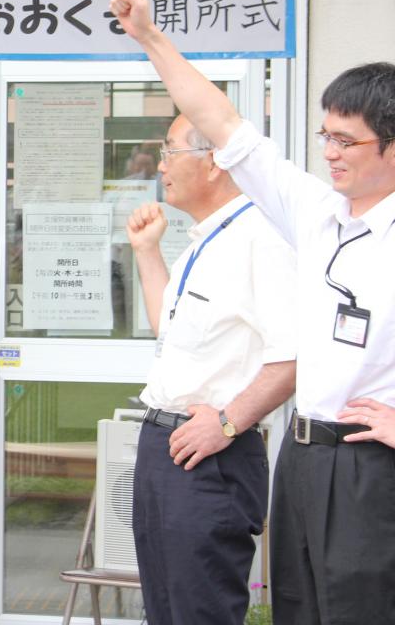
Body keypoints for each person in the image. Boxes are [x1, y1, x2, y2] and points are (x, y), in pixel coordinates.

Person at [112, 0, 395, 624]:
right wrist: (151, 38)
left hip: (370, 469)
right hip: (301, 459)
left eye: (347, 141)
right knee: (298, 610)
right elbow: (223, 125)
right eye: (325, 135)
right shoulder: (317, 214)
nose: (329, 153)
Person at [125, 114, 297, 625]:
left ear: (215, 161)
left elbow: (295, 355)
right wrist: (147, 252)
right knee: (165, 608)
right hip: (163, 443)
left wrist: (227, 422)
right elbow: (168, 329)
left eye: (170, 150)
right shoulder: (204, 239)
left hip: (210, 454)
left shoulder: (262, 238)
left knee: (199, 612)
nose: (160, 165)